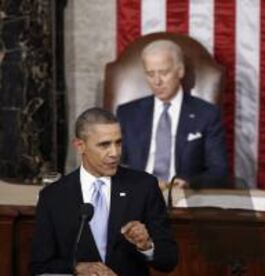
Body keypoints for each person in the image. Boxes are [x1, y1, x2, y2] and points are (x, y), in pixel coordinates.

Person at [30, 108, 178, 275]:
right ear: (80, 146)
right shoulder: (53, 196)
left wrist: (146, 245)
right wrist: (77, 269)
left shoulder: (143, 186)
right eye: (104, 144)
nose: (115, 153)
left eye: (118, 143)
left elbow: (169, 260)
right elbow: (39, 266)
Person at [117, 40, 228, 189]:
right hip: (137, 195)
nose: (157, 81)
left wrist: (190, 184)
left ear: (180, 71)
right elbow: (112, 164)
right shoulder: (127, 113)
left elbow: (218, 170)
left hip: (183, 197)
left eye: (163, 73)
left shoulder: (206, 114)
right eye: (150, 74)